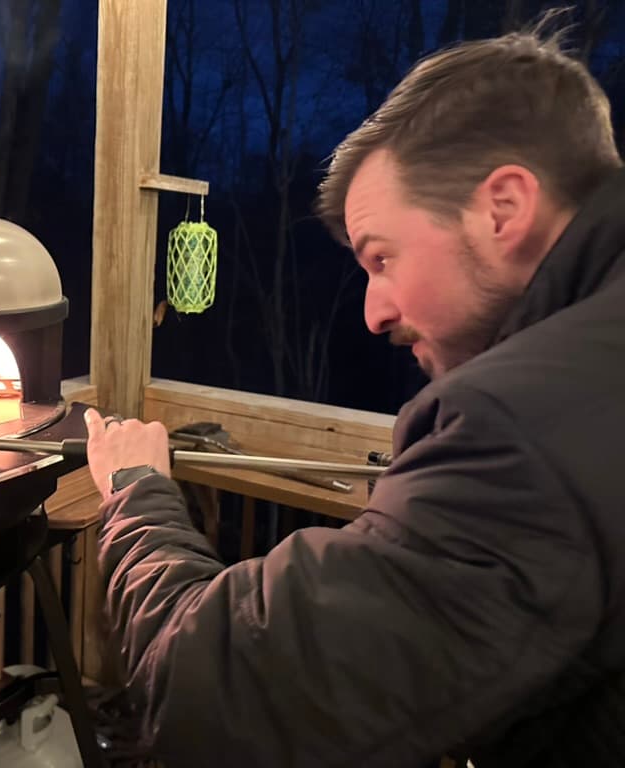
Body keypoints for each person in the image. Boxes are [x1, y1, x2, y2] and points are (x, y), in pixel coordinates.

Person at [82, 21, 625, 768]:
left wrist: (136, 493)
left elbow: (219, 695)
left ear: (504, 208)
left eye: (382, 258)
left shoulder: (524, 428)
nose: (373, 313)